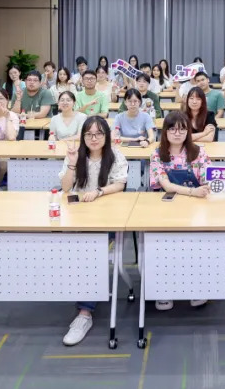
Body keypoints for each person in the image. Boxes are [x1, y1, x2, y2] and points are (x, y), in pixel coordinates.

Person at [58, 115, 128, 345]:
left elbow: (120, 184)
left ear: (106, 136)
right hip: (78, 217)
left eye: (98, 133)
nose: (94, 138)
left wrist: (99, 191)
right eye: (89, 134)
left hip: (106, 219)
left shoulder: (115, 156)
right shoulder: (76, 155)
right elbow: (65, 187)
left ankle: (84, 313)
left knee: (89, 251)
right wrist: (71, 163)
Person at [148, 110, 211, 311]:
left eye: (182, 129)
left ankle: (197, 287)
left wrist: (206, 187)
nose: (177, 133)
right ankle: (163, 289)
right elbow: (166, 186)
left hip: (196, 208)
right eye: (172, 129)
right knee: (163, 247)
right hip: (166, 208)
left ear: (188, 132)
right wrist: (193, 192)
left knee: (197, 247)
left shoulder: (199, 152)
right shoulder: (157, 154)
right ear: (165, 132)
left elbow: (208, 179)